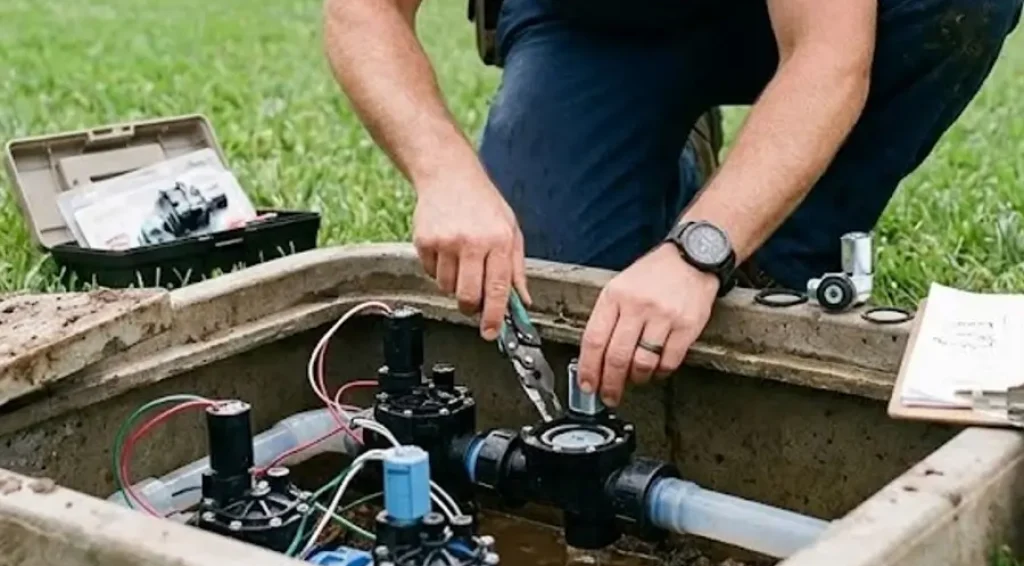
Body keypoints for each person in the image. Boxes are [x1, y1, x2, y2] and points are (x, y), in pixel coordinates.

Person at [323, 0, 1022, 406]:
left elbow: (831, 53)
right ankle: (679, 157)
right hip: (596, 27)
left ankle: (774, 262)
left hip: (775, 15)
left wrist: (702, 251)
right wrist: (444, 171)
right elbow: (363, 9)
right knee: (565, 298)